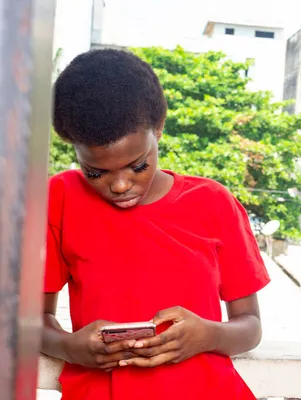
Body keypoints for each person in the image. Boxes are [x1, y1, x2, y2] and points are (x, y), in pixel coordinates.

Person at [41, 49, 270, 399]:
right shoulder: (58, 199)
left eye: (137, 166)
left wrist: (205, 334)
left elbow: (249, 327)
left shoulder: (213, 202)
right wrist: (71, 347)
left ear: (158, 129)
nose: (119, 185)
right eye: (95, 172)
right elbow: (32, 321)